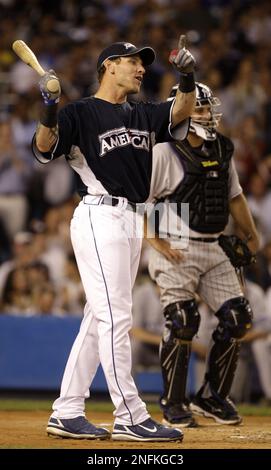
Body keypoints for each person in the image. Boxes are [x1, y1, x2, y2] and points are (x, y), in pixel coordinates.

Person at [32, 37, 196, 441]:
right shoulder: (81, 112)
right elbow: (43, 146)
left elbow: (179, 110)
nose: (141, 69)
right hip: (99, 215)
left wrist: (188, 77)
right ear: (109, 66)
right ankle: (131, 415)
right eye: (132, 62)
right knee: (115, 316)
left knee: (98, 318)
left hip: (131, 219)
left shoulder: (141, 112)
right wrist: (49, 107)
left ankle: (67, 410)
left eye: (143, 63)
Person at [146, 82, 260, 427]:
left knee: (238, 317)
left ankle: (212, 398)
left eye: (207, 109)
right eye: (198, 109)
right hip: (175, 238)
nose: (205, 115)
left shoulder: (223, 148)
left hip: (214, 241)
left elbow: (234, 196)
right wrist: (154, 239)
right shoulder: (164, 150)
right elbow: (144, 198)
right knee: (182, 319)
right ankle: (173, 402)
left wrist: (251, 236)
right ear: (179, 112)